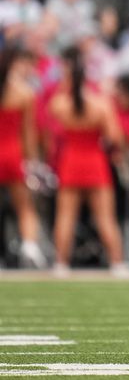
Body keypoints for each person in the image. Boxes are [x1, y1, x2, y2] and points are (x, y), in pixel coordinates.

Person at [49, 47, 128, 276]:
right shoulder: (100, 103)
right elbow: (115, 137)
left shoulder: (60, 103)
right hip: (94, 160)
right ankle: (117, 263)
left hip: (71, 160)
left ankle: (61, 264)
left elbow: (52, 133)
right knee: (105, 216)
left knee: (65, 216)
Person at [0, 46, 46, 268]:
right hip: (12, 153)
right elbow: (29, 133)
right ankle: (30, 246)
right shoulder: (25, 93)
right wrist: (33, 162)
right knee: (25, 207)